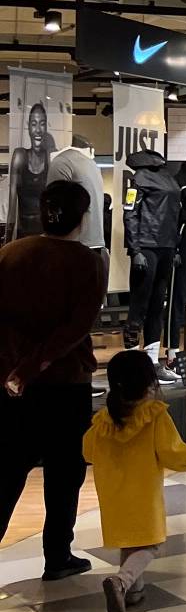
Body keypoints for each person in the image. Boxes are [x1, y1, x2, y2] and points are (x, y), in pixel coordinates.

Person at [0, 180, 106, 579]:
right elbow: (75, 329)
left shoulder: (10, 254)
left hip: (12, 384)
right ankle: (57, 556)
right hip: (65, 383)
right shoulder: (86, 262)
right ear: (83, 216)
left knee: (8, 468)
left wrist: (13, 370)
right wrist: (33, 366)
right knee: (64, 473)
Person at [84, 350, 186, 612]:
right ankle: (122, 581)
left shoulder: (104, 420)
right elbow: (172, 452)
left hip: (112, 496)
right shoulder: (154, 416)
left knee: (129, 542)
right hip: (143, 495)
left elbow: (87, 451)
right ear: (149, 383)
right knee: (149, 544)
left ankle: (133, 592)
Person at [47, 140, 107, 290]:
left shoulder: (62, 161)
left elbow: (54, 205)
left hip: (73, 244)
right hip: (94, 242)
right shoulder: (92, 165)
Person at [7, 99, 56, 238]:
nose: (38, 130)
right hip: (23, 234)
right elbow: (12, 205)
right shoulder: (20, 156)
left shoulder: (51, 158)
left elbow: (56, 204)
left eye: (42, 124)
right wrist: (7, 240)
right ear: (28, 126)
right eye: (34, 124)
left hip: (46, 236)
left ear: (46, 126)